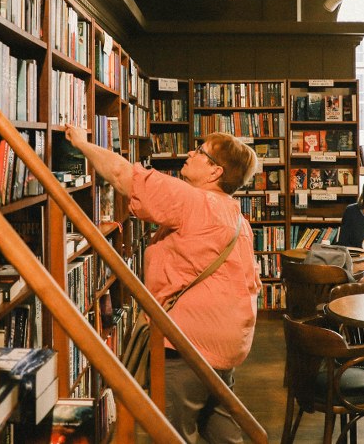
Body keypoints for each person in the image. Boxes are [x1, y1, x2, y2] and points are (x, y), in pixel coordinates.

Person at [64, 124, 262, 443]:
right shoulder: (235, 215)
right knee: (220, 426)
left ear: (215, 170)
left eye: (200, 151)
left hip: (188, 345)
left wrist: (82, 144)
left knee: (172, 432)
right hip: (226, 346)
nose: (190, 153)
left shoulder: (195, 202)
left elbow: (122, 174)